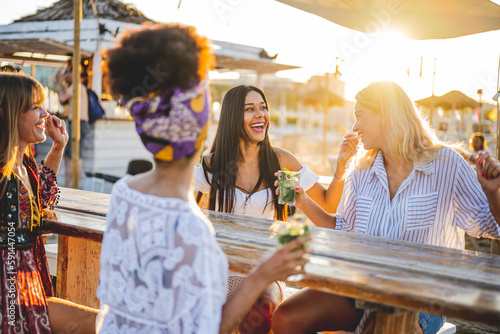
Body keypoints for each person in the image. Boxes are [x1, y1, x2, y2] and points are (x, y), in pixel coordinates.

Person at [96, 23, 310, 334]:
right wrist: (265, 274)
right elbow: (210, 328)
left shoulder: (125, 192)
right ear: (201, 116)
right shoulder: (192, 231)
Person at [272, 81, 500, 334]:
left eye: (359, 117)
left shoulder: (447, 163)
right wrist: (303, 201)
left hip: (421, 295)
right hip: (360, 284)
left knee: (380, 329)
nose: (355, 127)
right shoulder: (361, 170)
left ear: (386, 115)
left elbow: (491, 226)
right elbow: (345, 228)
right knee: (286, 317)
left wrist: (494, 193)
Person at [194, 84, 358, 333]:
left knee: (258, 317)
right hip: (218, 269)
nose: (260, 114)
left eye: (263, 108)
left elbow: (327, 203)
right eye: (250, 109)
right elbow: (180, 205)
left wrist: (341, 169)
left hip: (264, 270)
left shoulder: (280, 162)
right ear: (232, 117)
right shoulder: (212, 165)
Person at [0, 72, 97, 333]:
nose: (45, 113)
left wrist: (58, 146)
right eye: (35, 107)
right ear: (7, 115)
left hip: (29, 291)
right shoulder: (4, 174)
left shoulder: (23, 165)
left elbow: (42, 197)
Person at [56, 64, 89, 188]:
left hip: (78, 123)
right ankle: (69, 184)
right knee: (71, 155)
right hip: (78, 123)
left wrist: (60, 82)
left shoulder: (76, 86)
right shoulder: (79, 87)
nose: (66, 74)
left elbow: (61, 98)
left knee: (75, 155)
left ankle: (73, 185)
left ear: (73, 73)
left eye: (67, 71)